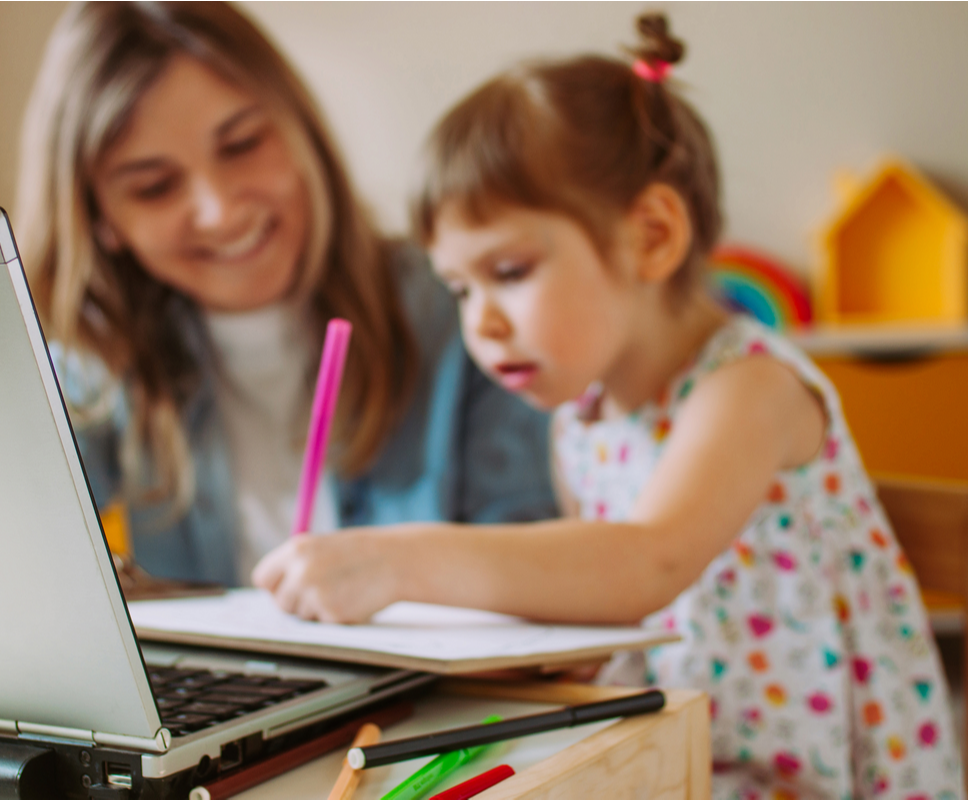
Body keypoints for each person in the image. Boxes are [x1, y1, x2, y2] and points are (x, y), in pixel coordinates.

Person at [252, 14, 965, 799]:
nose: (479, 324)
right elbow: (602, 596)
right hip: (687, 748)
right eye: (459, 287)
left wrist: (396, 559)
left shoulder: (748, 389)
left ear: (651, 236)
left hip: (815, 775)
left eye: (510, 270)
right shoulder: (583, 421)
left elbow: (644, 561)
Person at [11, 1, 558, 589]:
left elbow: (534, 583)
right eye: (155, 187)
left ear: (300, 131)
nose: (221, 212)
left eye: (243, 143)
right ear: (101, 220)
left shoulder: (463, 313)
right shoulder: (93, 365)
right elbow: (7, 542)